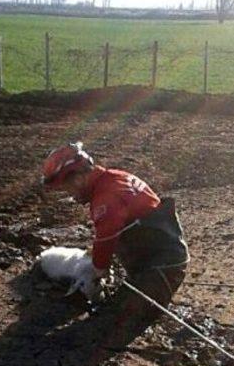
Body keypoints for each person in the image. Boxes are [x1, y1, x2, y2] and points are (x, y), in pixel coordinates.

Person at [41, 141, 189, 345]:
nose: (71, 195)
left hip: (162, 268)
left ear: (78, 177)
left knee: (111, 323)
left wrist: (96, 274)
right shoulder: (113, 177)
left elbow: (105, 241)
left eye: (67, 188)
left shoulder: (105, 198)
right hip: (160, 257)